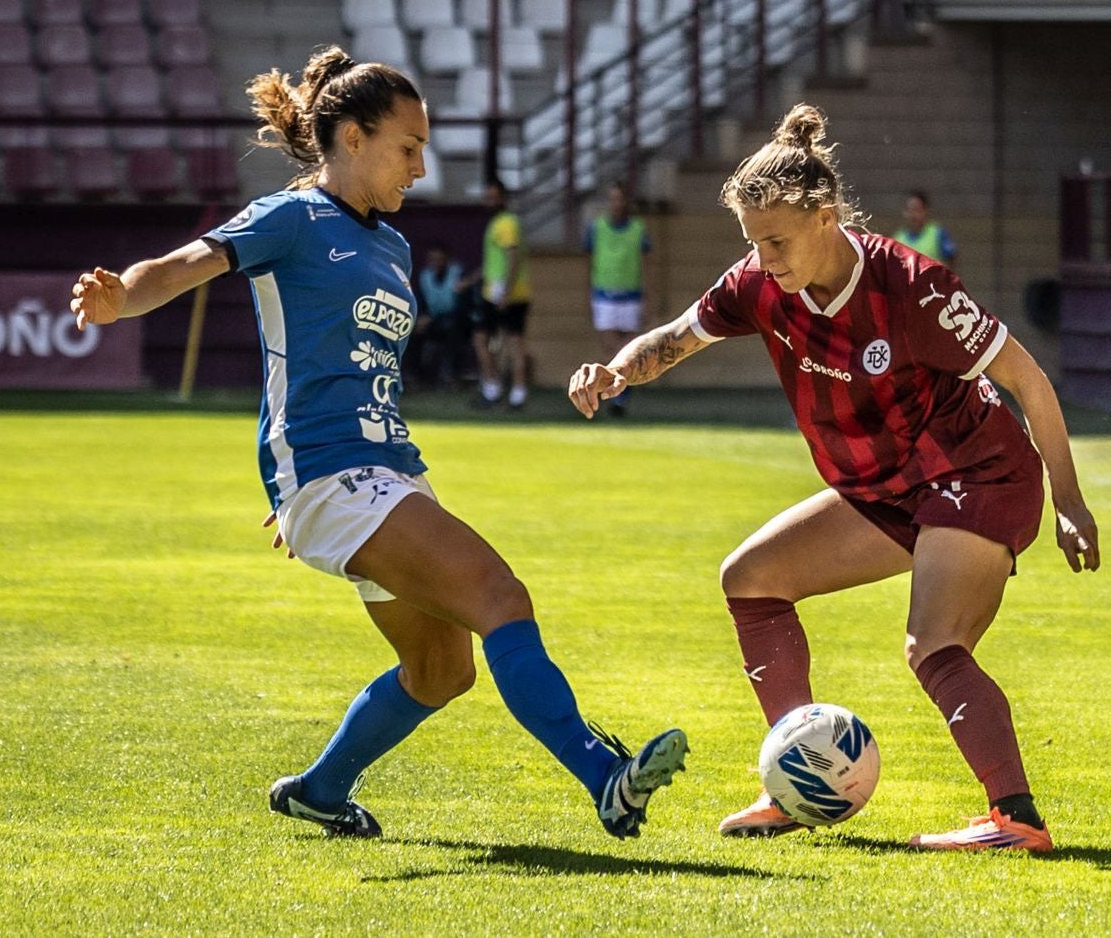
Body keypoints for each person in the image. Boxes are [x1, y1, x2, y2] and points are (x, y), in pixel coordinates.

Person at [68, 46, 685, 841]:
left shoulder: (391, 247)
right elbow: (187, 263)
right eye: (408, 146)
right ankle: (606, 778)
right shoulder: (290, 217)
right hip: (337, 476)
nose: (421, 168)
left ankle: (320, 790)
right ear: (352, 138)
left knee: (443, 669)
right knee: (501, 596)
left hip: (379, 475)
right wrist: (123, 295)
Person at [567, 104, 1099, 853]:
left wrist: (1071, 501)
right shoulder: (762, 279)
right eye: (753, 242)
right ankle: (794, 781)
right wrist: (616, 372)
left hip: (978, 474)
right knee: (750, 577)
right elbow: (679, 335)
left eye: (776, 240)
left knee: (933, 643)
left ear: (826, 215)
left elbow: (1029, 379)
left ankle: (1016, 818)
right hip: (888, 488)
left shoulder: (911, 285)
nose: (765, 258)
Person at [585, 181, 651, 416]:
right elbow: (590, 262)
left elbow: (645, 266)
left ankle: (621, 394)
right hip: (604, 295)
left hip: (630, 296)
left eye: (620, 198)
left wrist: (646, 298)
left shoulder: (637, 229)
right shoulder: (597, 228)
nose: (616, 204)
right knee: (610, 348)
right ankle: (615, 393)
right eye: (612, 199)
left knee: (628, 348)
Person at [472, 179, 531, 409]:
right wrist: (470, 281)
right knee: (508, 342)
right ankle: (513, 391)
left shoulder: (505, 224)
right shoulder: (501, 222)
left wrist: (506, 290)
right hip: (506, 291)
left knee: (489, 341)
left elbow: (512, 256)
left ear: (503, 198)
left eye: (494, 196)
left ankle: (499, 389)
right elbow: (492, 263)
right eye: (487, 197)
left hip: (502, 293)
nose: (490, 201)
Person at [409, 243, 469, 388]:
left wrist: (433, 318)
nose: (436, 263)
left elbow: (463, 305)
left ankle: (450, 375)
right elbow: (421, 300)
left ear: (447, 260)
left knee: (452, 329)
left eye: (439, 259)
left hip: (455, 319)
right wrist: (422, 316)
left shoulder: (457, 273)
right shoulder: (425, 276)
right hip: (432, 320)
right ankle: (417, 377)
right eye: (433, 259)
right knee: (413, 331)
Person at [894, 190, 957, 266]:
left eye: (916, 210)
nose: (913, 215)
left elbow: (951, 260)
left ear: (925, 210)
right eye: (909, 210)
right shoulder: (898, 238)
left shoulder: (937, 233)